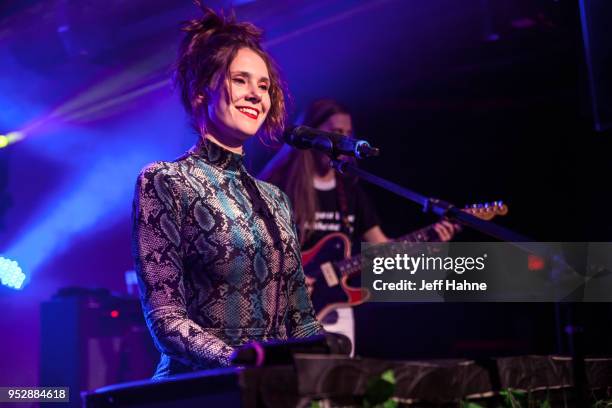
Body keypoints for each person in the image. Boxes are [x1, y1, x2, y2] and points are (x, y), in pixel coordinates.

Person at [132, 6, 322, 379]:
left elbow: (301, 319)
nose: (256, 95)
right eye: (241, 80)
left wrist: (330, 364)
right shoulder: (165, 181)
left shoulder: (275, 199)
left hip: (270, 388)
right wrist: (238, 360)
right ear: (202, 90)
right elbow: (165, 319)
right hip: (197, 389)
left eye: (264, 86)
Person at [259, 99, 456, 354]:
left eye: (347, 133)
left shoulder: (351, 192)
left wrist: (430, 242)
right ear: (312, 135)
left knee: (339, 380)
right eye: (336, 133)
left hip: (335, 308)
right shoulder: (278, 185)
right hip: (283, 306)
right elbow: (254, 244)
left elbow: (381, 247)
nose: (343, 140)